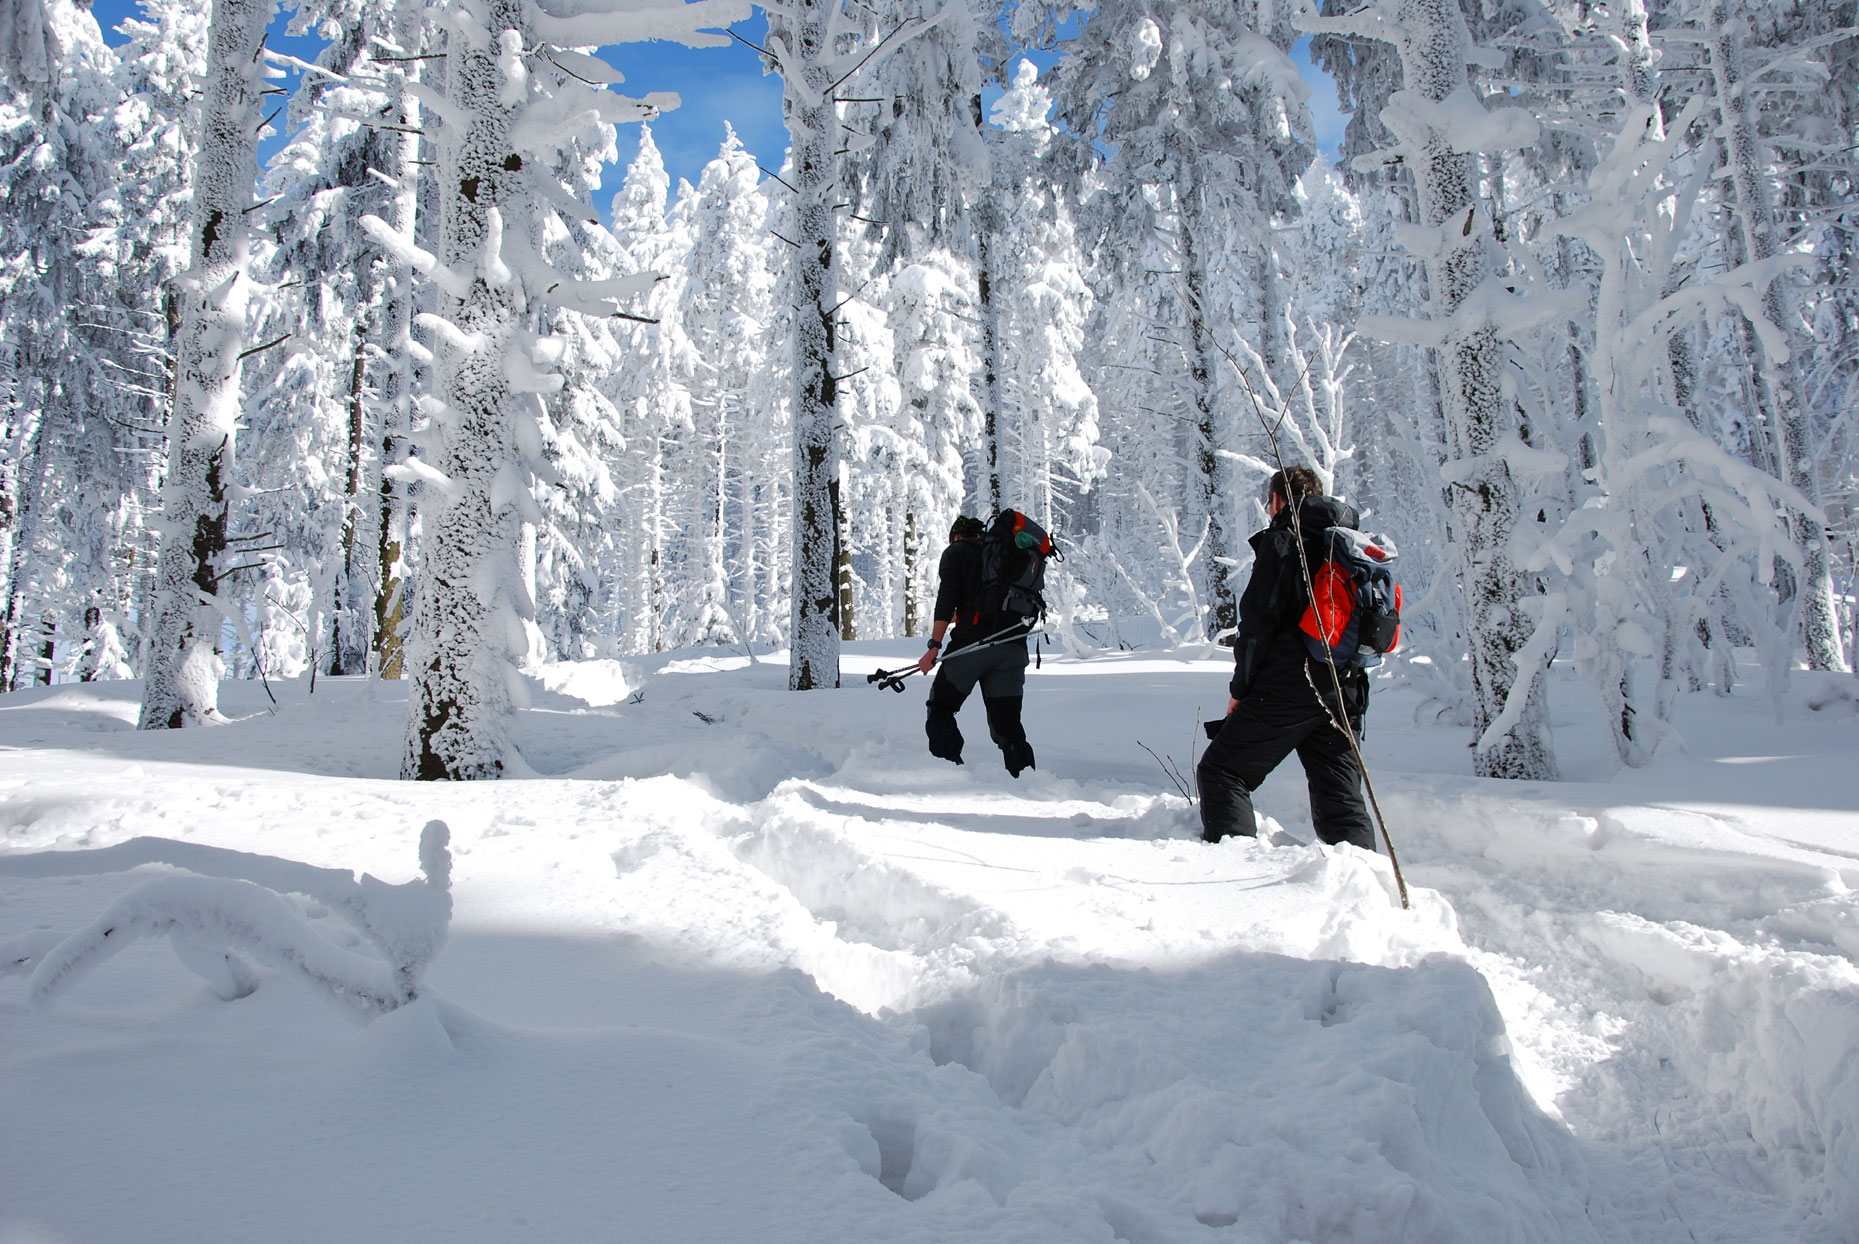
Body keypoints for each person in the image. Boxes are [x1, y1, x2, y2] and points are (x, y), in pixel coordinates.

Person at [1198, 466, 1375, 850]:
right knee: (1341, 799)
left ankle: (1230, 869)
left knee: (1222, 770)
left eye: (1268, 501)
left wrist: (1241, 689)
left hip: (1294, 682)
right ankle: (1364, 888)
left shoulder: (1284, 540)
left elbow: (1257, 625)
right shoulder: (1347, 543)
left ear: (1277, 500)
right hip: (1345, 686)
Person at [915, 515, 1037, 776]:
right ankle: (1026, 781)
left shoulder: (956, 552)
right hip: (1013, 646)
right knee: (1008, 724)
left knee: (940, 708)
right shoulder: (1004, 558)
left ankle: (948, 774)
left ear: (957, 536)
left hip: (973, 646)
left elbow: (947, 598)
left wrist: (935, 645)